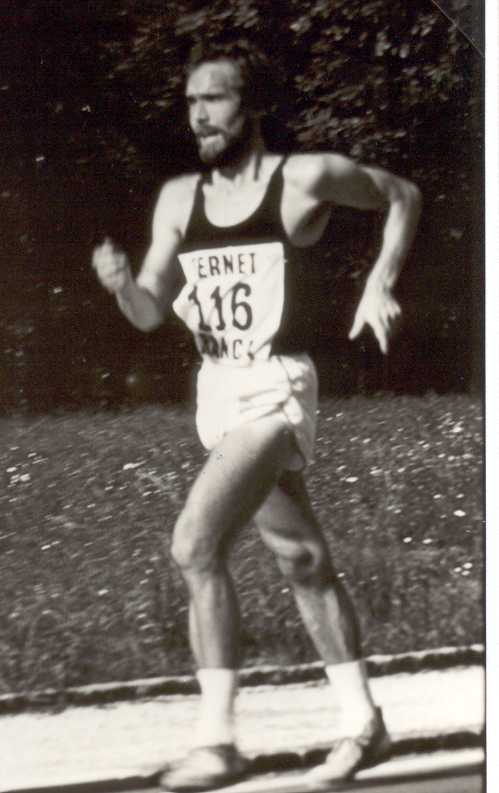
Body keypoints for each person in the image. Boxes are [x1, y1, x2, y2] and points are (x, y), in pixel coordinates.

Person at [92, 42, 422, 792]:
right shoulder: (178, 198)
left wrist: (379, 281)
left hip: (276, 387)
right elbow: (148, 311)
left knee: (194, 544)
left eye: (215, 99)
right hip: (218, 391)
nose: (199, 115)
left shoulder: (302, 179)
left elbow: (402, 193)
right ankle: (365, 723)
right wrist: (121, 286)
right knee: (301, 559)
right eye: (191, 102)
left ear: (253, 106)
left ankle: (217, 742)